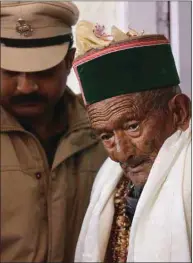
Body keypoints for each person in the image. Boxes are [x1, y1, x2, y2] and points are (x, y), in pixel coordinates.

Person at [73, 20, 191, 262]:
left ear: (179, 112)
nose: (121, 153)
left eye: (132, 126)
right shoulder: (108, 182)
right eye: (106, 136)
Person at [0, 4, 107, 262]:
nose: (26, 86)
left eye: (42, 71)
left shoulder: (108, 132)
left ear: (69, 61)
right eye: (10, 72)